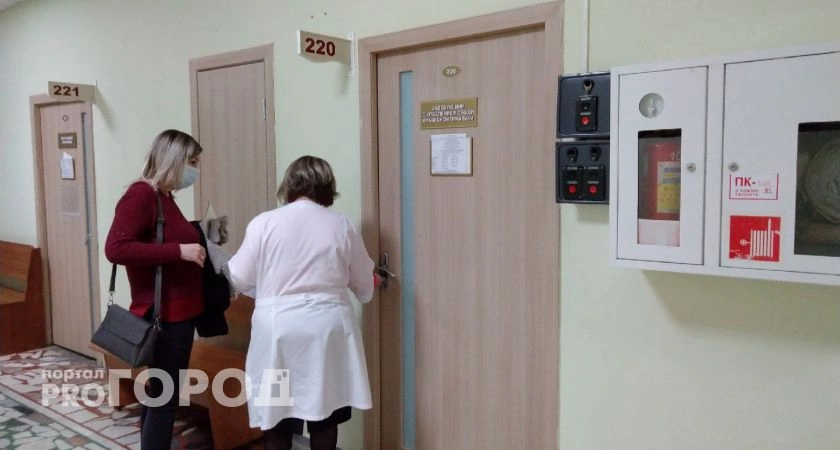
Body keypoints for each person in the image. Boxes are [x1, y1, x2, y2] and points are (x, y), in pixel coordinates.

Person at [227, 155, 380, 450]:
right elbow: (363, 285)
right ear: (327, 187)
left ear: (289, 185)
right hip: (327, 332)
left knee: (276, 416)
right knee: (326, 414)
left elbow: (238, 278)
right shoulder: (342, 225)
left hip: (277, 332)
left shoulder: (263, 223)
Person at [104, 129, 206, 450]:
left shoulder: (165, 197)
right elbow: (116, 248)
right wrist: (179, 251)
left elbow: (163, 239)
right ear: (173, 160)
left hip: (180, 313)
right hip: (165, 315)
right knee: (165, 398)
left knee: (160, 393)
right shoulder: (142, 195)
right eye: (192, 162)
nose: (195, 169)